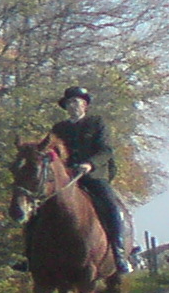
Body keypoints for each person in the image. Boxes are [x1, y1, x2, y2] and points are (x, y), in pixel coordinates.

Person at [50, 85, 136, 271]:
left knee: (111, 206)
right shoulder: (59, 129)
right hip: (66, 179)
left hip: (92, 176)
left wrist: (89, 164)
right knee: (40, 208)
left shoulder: (97, 123)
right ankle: (31, 256)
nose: (72, 105)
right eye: (69, 103)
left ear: (85, 105)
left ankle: (119, 253)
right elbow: (53, 152)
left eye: (76, 102)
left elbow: (106, 150)